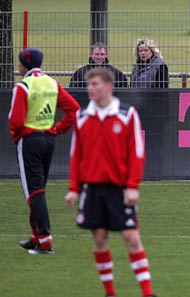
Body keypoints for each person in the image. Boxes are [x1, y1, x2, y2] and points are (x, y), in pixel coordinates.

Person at [65, 68, 156, 297]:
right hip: (92, 188)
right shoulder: (82, 117)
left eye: (95, 84)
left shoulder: (127, 115)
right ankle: (110, 292)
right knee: (99, 237)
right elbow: (77, 155)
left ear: (108, 86)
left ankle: (147, 293)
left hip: (120, 188)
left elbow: (137, 153)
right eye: (89, 85)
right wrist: (74, 189)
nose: (91, 89)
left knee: (131, 237)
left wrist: (133, 186)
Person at [8, 48, 80, 254]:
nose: (18, 66)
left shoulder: (23, 86)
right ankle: (36, 235)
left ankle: (45, 240)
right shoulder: (51, 83)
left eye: (20, 62)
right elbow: (74, 109)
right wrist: (57, 129)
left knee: (33, 191)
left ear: (25, 65)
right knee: (38, 188)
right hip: (48, 139)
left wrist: (17, 137)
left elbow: (16, 120)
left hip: (30, 140)